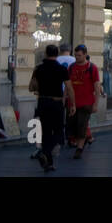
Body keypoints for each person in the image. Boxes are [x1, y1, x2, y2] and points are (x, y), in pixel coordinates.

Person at [28, 43, 73, 172]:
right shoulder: (61, 69)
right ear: (57, 54)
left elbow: (32, 86)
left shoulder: (38, 68)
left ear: (46, 54)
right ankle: (45, 151)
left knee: (46, 132)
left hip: (42, 101)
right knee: (59, 132)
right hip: (56, 103)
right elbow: (69, 88)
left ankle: (49, 163)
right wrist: (73, 104)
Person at [67, 44, 103, 158]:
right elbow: (67, 85)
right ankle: (83, 140)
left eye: (79, 55)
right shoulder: (71, 67)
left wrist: (96, 104)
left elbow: (97, 87)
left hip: (86, 103)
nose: (77, 57)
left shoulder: (92, 68)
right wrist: (64, 98)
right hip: (72, 103)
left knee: (82, 125)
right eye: (75, 55)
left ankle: (79, 148)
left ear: (85, 55)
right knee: (72, 127)